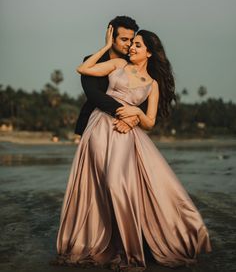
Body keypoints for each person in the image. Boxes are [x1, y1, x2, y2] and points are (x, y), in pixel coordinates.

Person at [55, 26, 212, 271]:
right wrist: (107, 47)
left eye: (138, 45)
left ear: (149, 52)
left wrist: (135, 113)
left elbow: (149, 123)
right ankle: (103, 243)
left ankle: (131, 253)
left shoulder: (152, 84)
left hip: (126, 133)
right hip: (99, 127)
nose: (132, 47)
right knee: (98, 183)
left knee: (117, 183)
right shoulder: (118, 64)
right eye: (132, 43)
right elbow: (83, 69)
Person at [74, 15, 147, 137]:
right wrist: (125, 114)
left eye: (132, 40)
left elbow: (143, 93)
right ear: (112, 39)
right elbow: (93, 93)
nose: (129, 44)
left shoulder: (134, 64)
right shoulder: (91, 62)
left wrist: (135, 119)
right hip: (92, 124)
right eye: (124, 40)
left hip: (124, 127)